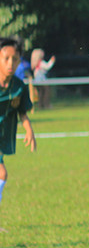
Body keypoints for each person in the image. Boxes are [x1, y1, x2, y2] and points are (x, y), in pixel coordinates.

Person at [0, 38, 37, 229]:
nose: (10, 63)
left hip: (2, 137)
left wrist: (29, 130)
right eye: (6, 58)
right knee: (2, 173)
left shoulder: (18, 86)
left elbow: (22, 112)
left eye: (15, 59)